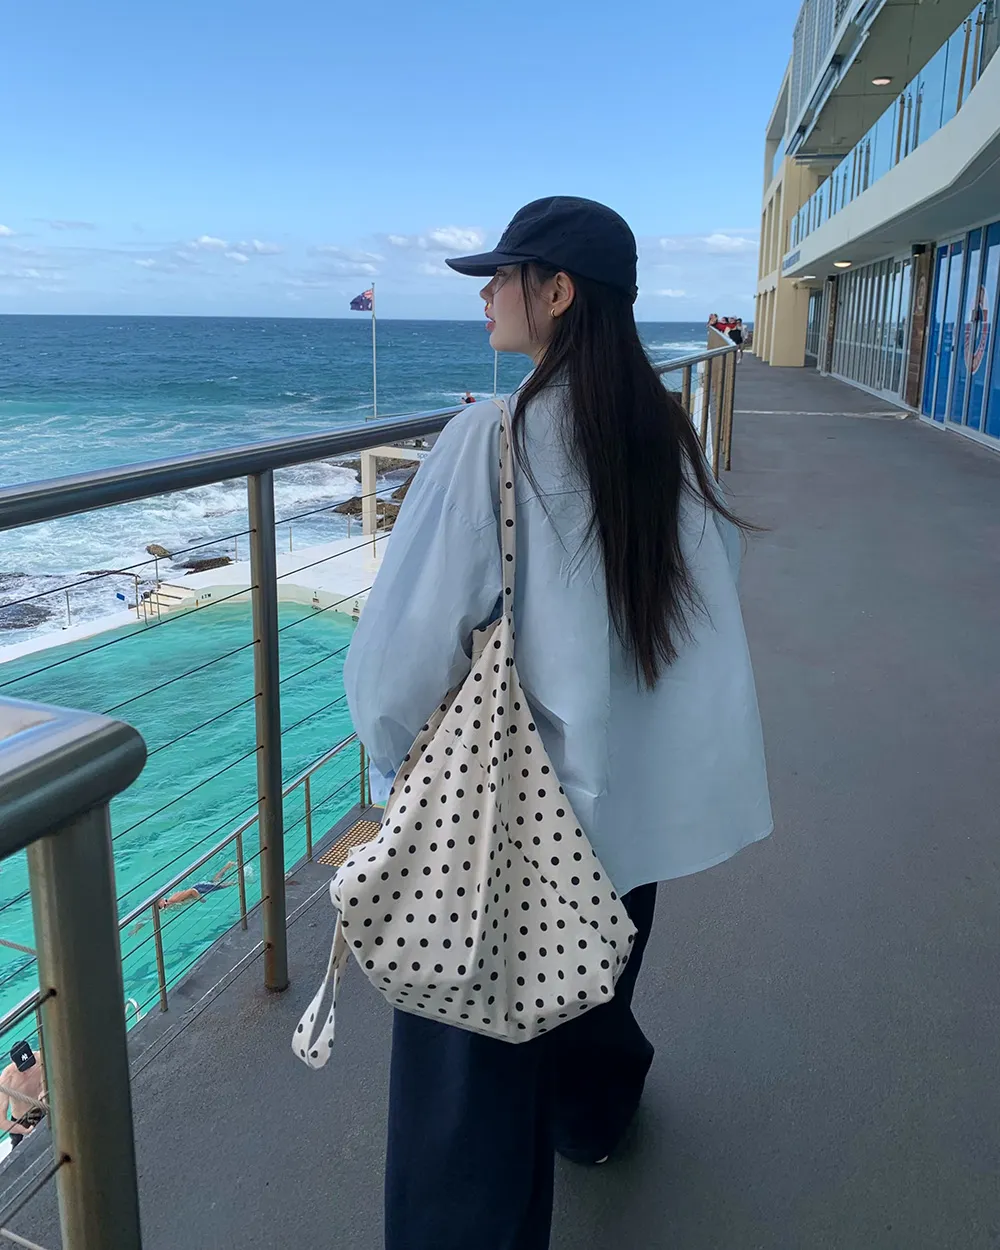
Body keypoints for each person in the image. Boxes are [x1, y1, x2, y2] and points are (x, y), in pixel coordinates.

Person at [344, 195, 772, 1250]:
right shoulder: (662, 437)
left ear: (560, 290)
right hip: (631, 807)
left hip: (509, 819)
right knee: (590, 978)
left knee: (464, 1110)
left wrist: (391, 773)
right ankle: (593, 1117)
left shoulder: (491, 437)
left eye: (503, 275)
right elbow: (709, 594)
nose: (487, 294)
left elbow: (401, 650)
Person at [1, 1041, 46, 1149]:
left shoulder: (41, 1058)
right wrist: (23, 1130)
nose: (28, 1071)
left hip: (43, 1108)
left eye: (30, 1064)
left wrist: (45, 1090)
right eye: (23, 1068)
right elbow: (1, 1120)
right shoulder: (7, 1078)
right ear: (13, 1062)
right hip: (23, 1121)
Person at [157, 860, 238, 910]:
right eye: (164, 906)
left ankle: (238, 880)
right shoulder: (172, 903)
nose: (166, 904)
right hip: (200, 887)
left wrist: (200, 899)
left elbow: (191, 891)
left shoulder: (174, 899)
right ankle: (228, 865)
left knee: (222, 886)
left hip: (199, 888)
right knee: (215, 882)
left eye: (165, 902)